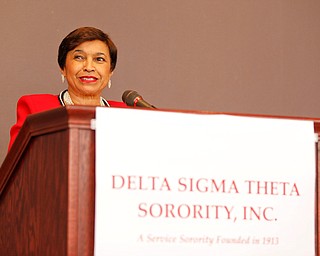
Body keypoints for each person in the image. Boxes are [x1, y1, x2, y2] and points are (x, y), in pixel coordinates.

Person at [8, 27, 127, 150]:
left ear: (110, 71)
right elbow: (17, 163)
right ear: (63, 67)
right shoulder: (37, 108)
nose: (89, 67)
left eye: (99, 59)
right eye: (79, 57)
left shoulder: (126, 114)